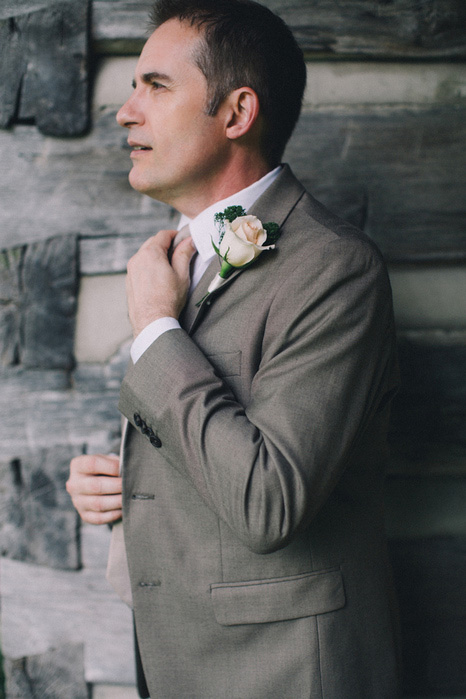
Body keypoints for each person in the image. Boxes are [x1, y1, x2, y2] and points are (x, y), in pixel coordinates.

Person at [67, 1, 401, 696]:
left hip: (285, 671)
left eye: (154, 87)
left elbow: (269, 499)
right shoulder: (177, 256)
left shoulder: (336, 267)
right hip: (180, 660)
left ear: (237, 111)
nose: (126, 112)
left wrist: (156, 329)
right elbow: (209, 443)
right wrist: (122, 484)